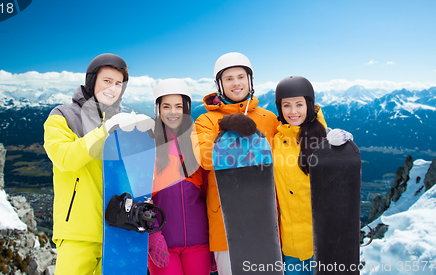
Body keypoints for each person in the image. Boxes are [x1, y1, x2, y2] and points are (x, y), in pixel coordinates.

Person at [43, 53, 153, 275]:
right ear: (92, 81)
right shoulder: (62, 116)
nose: (112, 88)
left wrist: (149, 141)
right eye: (106, 81)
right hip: (78, 232)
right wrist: (105, 131)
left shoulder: (125, 123)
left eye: (118, 84)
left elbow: (137, 178)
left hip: (119, 229)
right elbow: (65, 158)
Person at [194, 52, 279, 274]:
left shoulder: (268, 119)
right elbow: (205, 159)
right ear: (219, 85)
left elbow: (291, 149)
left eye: (241, 76)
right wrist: (228, 128)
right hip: (226, 220)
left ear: (250, 80)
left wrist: (320, 124)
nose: (236, 83)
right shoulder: (206, 120)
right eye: (229, 78)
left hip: (265, 217)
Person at [273, 76, 352, 275]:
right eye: (286, 105)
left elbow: (342, 186)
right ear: (279, 108)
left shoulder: (325, 138)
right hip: (291, 244)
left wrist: (343, 150)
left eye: (299, 104)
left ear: (309, 105)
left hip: (323, 241)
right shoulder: (275, 142)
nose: (293, 111)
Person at [147, 79, 212, 275]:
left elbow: (210, 192)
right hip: (163, 243)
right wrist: (152, 234)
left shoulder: (197, 141)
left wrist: (214, 239)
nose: (173, 112)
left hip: (199, 242)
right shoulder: (148, 143)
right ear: (158, 109)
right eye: (166, 106)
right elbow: (140, 196)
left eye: (179, 106)